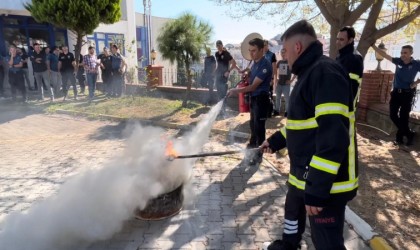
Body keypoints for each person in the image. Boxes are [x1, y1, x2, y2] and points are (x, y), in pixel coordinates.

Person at [260, 20, 357, 250]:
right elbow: (300, 124)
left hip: (327, 185)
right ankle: (288, 244)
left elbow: (334, 136)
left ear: (297, 47)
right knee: (292, 215)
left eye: (284, 50)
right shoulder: (307, 74)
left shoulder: (324, 73)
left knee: (326, 242)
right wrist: (274, 141)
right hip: (303, 175)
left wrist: (316, 188)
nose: (283, 57)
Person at [227, 38, 272, 164]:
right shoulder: (254, 62)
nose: (251, 53)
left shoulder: (265, 65)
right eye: (250, 51)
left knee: (259, 129)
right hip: (254, 99)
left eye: (254, 50)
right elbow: (250, 73)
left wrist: (236, 91)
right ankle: (251, 148)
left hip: (261, 100)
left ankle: (258, 156)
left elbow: (253, 87)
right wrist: (247, 74)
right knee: (253, 125)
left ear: (262, 50)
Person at [372, 44, 420, 146]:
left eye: (405, 53)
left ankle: (399, 139)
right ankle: (409, 133)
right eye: (401, 52)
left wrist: (416, 83)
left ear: (411, 53)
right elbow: (384, 55)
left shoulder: (416, 64)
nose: (403, 55)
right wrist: (373, 46)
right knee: (393, 115)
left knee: (404, 117)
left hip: (407, 94)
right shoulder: (398, 61)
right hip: (396, 93)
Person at [336, 26, 364, 109]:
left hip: (345, 106)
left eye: (341, 40)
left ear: (350, 40)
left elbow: (352, 86)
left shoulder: (354, 58)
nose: (337, 42)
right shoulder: (340, 56)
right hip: (337, 103)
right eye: (337, 39)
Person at [215, 40, 237, 114]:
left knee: (223, 93)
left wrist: (228, 71)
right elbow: (218, 64)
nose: (218, 47)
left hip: (224, 76)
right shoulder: (216, 54)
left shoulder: (226, 54)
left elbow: (234, 63)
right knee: (218, 93)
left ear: (222, 45)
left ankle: (224, 110)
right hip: (218, 75)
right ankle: (220, 109)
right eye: (217, 46)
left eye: (220, 45)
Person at [273, 48, 294, 117]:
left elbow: (296, 72)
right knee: (277, 98)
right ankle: (277, 111)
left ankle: (287, 112)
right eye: (282, 52)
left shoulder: (290, 62)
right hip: (279, 83)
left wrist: (291, 80)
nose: (283, 54)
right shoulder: (279, 62)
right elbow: (275, 71)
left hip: (286, 84)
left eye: (284, 52)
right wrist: (276, 80)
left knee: (287, 99)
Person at [263, 40, 277, 117]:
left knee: (269, 95)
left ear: (268, 45)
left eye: (265, 45)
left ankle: (269, 113)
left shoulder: (272, 55)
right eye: (263, 45)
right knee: (263, 95)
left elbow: (274, 68)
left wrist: (272, 79)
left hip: (268, 79)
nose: (264, 47)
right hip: (261, 80)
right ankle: (263, 112)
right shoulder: (260, 55)